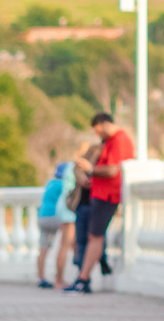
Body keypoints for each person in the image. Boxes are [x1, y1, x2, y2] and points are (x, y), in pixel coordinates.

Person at [69, 112, 133, 293]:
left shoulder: (119, 140)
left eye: (98, 130)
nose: (97, 135)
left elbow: (113, 170)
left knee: (94, 237)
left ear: (105, 124)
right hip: (100, 194)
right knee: (93, 237)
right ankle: (84, 277)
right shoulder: (110, 141)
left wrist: (90, 169)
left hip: (108, 195)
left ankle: (83, 279)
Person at [36, 158, 76, 289]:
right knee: (65, 244)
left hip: (42, 216)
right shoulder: (63, 185)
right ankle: (60, 278)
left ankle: (41, 277)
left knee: (44, 248)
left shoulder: (50, 183)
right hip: (55, 217)